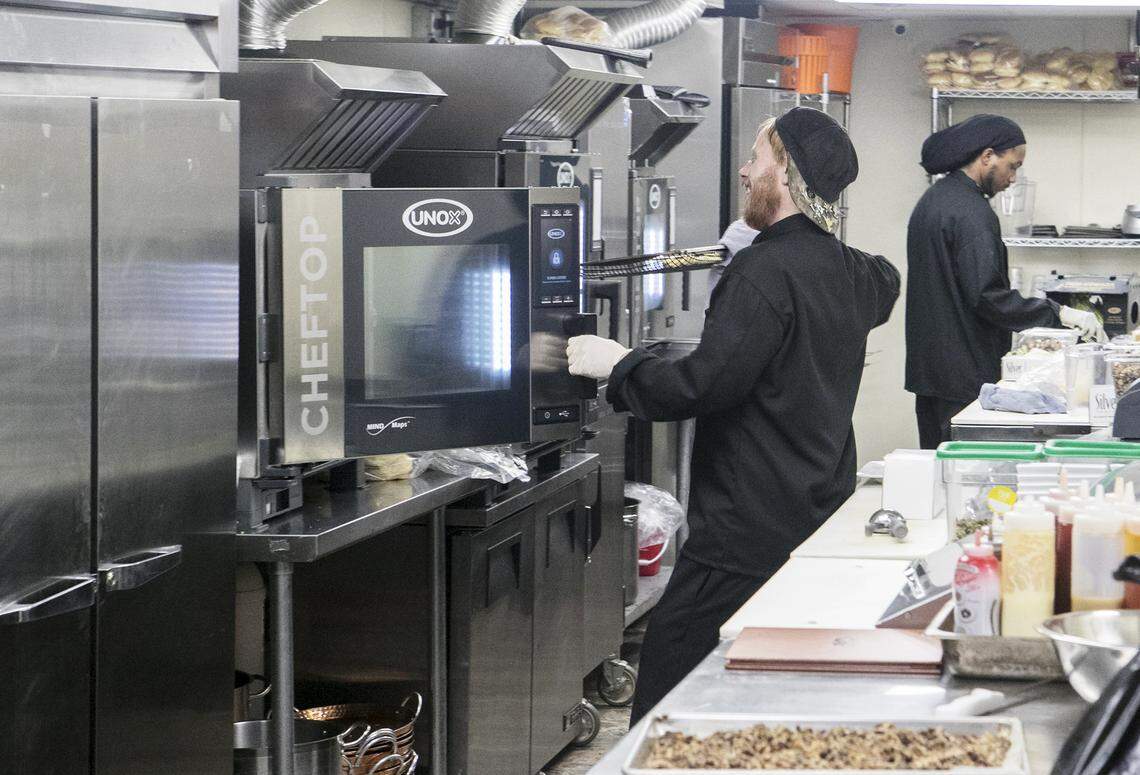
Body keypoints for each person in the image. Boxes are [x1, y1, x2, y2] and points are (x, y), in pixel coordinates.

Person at [565, 108, 900, 724]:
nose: (745, 171)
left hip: (744, 529)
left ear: (787, 173)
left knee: (669, 691)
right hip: (813, 511)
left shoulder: (763, 272)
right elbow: (888, 277)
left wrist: (619, 367)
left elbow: (703, 385)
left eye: (756, 158)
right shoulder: (850, 271)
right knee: (771, 686)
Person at [905, 114, 1104, 449]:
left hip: (932, 373)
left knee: (938, 464)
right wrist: (1059, 313)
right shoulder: (972, 213)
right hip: (965, 375)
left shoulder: (935, 200)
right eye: (1012, 166)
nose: (1013, 178)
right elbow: (988, 296)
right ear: (987, 157)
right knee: (968, 470)